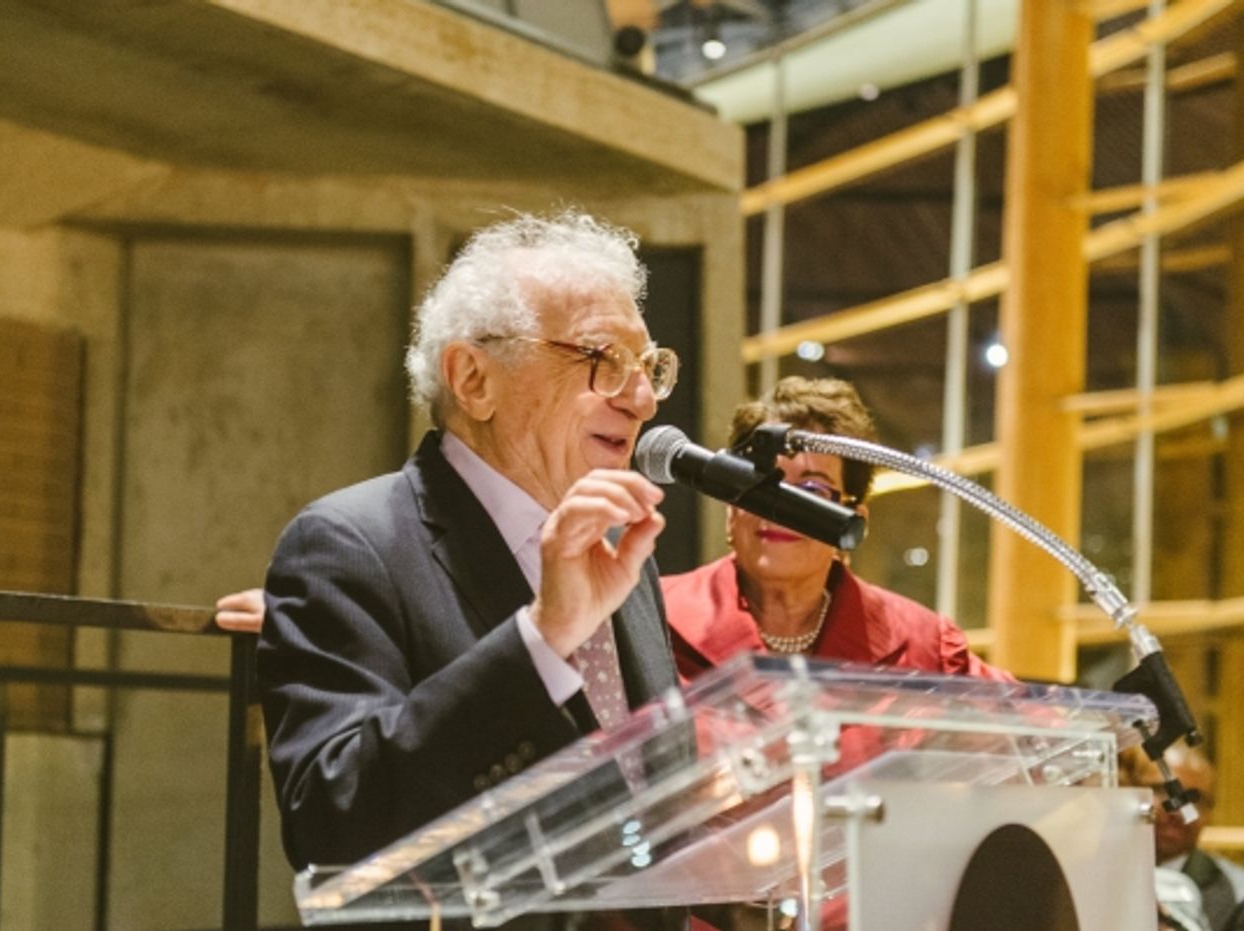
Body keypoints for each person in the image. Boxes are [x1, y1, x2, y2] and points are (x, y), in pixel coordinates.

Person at [257, 208, 686, 931]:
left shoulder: (621, 557)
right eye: (599, 358)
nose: (639, 399)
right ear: (473, 377)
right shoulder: (347, 546)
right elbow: (332, 819)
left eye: (648, 368)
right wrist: (541, 639)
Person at [658, 376, 1012, 682]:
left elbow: (1034, 732)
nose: (780, 512)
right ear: (731, 504)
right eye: (762, 485)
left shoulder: (923, 645)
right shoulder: (654, 619)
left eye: (812, 491)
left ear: (853, 517)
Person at [1134, 746, 1244, 931]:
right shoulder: (1097, 870)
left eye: (1193, 799)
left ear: (1209, 813)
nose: (1177, 811)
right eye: (1163, 791)